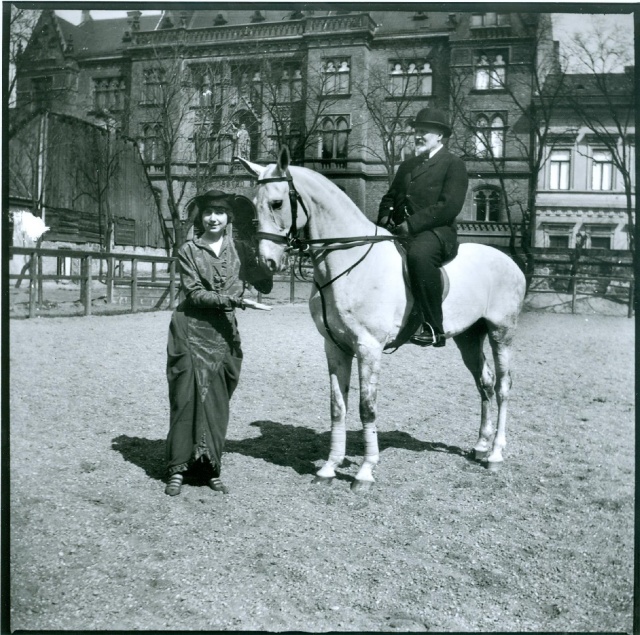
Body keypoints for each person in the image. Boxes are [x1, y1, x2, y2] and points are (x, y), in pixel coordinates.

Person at [164, 190, 273, 496]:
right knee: (185, 399)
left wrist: (266, 254)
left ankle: (211, 468)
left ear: (228, 219)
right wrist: (234, 300)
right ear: (200, 217)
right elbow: (194, 292)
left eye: (220, 213)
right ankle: (178, 469)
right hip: (190, 331)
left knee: (217, 402)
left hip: (223, 333)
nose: (213, 218)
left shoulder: (240, 248)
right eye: (208, 212)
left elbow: (265, 282)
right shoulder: (188, 249)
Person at [377, 107, 468, 348]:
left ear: (439, 135)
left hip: (437, 233)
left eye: (424, 131)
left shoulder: (453, 164)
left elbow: (449, 206)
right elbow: (390, 196)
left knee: (418, 256)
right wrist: (385, 219)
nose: (418, 135)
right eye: (417, 131)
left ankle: (432, 326)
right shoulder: (408, 165)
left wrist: (412, 224)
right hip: (401, 230)